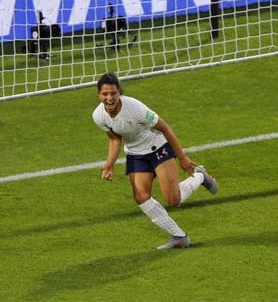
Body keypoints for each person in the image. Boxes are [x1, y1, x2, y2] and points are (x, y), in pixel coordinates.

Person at [92, 72, 218, 250]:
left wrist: (182, 158)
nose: (109, 98)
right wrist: (110, 164)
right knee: (141, 196)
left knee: (173, 200)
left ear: (119, 93)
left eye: (113, 93)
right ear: (99, 95)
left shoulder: (136, 109)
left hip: (157, 148)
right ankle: (179, 236)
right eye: (105, 94)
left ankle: (199, 176)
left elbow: (165, 127)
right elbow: (114, 139)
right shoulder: (99, 116)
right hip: (136, 154)